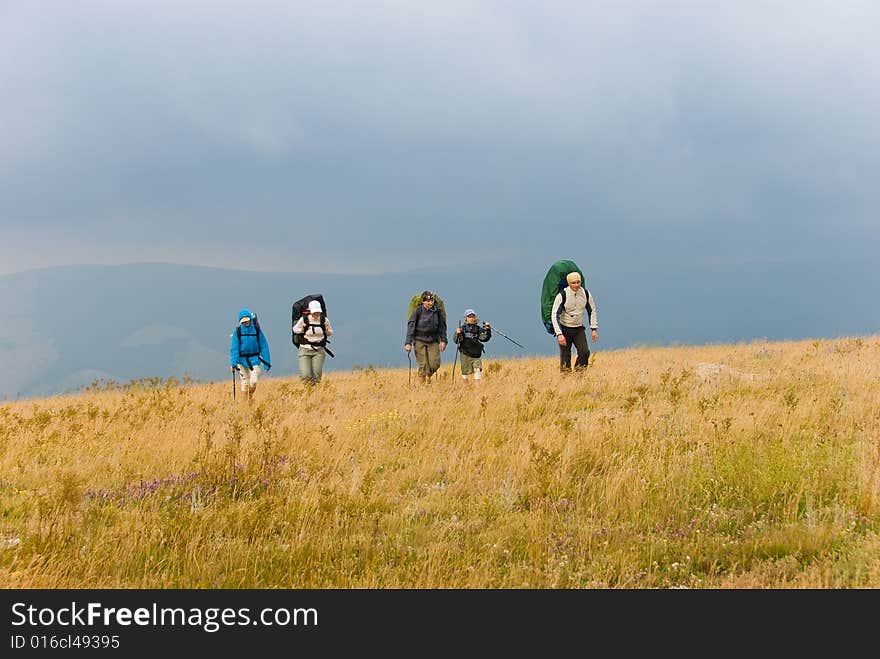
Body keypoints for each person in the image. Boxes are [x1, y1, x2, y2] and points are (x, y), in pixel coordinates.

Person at [551, 272, 598, 372]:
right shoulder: (562, 295)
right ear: (569, 283)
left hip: (579, 329)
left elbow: (592, 310)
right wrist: (559, 334)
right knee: (565, 356)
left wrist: (593, 329)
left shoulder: (586, 294)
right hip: (564, 329)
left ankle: (579, 376)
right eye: (573, 283)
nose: (576, 285)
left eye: (578, 282)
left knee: (585, 352)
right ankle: (566, 380)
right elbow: (554, 314)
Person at [404, 290, 447, 384]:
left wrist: (443, 340)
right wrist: (408, 342)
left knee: (435, 363)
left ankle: (427, 376)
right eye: (428, 301)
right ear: (423, 302)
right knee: (422, 365)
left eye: (431, 300)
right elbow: (411, 326)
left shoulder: (437, 311)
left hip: (433, 339)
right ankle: (422, 387)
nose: (430, 302)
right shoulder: (418, 311)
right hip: (419, 340)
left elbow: (442, 326)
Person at [230, 308, 271, 401]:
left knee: (254, 381)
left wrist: (266, 363)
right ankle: (245, 402)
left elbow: (264, 346)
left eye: (247, 321)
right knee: (245, 382)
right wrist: (233, 363)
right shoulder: (238, 332)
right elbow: (234, 349)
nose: (246, 323)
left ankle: (250, 395)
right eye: (243, 322)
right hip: (241, 360)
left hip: (254, 359)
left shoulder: (257, 330)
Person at [292, 299, 333, 384]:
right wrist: (301, 330)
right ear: (310, 311)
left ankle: (314, 394)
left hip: (319, 351)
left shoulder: (324, 320)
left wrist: (326, 330)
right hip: (304, 350)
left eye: (318, 311)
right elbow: (295, 329)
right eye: (315, 311)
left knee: (317, 376)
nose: (316, 313)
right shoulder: (304, 319)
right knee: (305, 375)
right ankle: (308, 391)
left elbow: (330, 333)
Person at [454, 309, 491, 384]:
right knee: (465, 371)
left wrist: (487, 330)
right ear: (466, 318)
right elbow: (456, 340)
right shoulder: (462, 328)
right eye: (469, 317)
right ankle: (465, 388)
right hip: (465, 353)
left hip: (476, 353)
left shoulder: (478, 328)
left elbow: (483, 338)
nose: (471, 318)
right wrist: (458, 333)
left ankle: (477, 388)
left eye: (473, 316)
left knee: (477, 369)